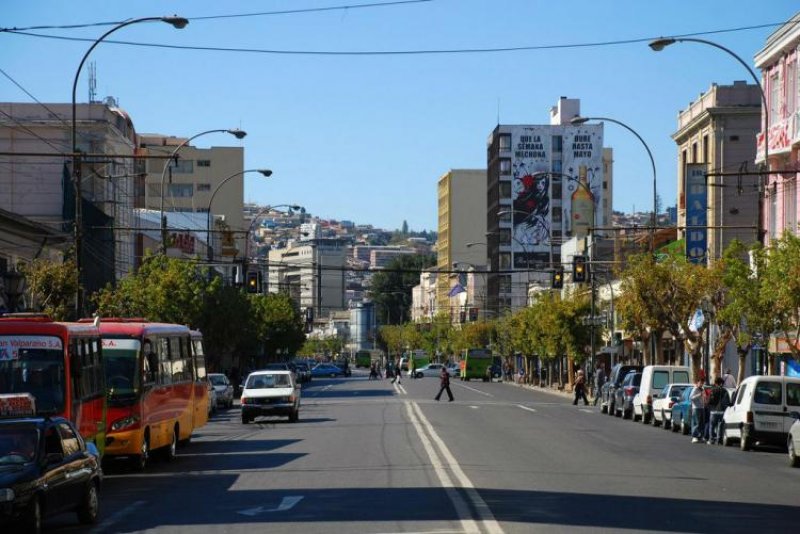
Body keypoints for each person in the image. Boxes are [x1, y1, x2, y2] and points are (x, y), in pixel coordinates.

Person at [706, 376, 730, 445]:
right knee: (720, 425)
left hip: (714, 411)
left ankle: (711, 439)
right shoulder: (725, 391)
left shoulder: (713, 390)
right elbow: (727, 401)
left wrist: (709, 406)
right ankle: (719, 439)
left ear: (716, 383)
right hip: (722, 411)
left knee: (712, 425)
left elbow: (709, 401)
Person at [690, 378, 707, 443]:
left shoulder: (702, 389)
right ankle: (694, 436)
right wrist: (699, 395)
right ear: (697, 383)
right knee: (696, 423)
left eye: (702, 383)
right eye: (700, 383)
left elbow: (704, 397)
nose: (701, 384)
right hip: (696, 408)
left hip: (702, 407)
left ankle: (700, 436)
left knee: (702, 423)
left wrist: (705, 401)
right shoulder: (695, 389)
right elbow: (691, 398)